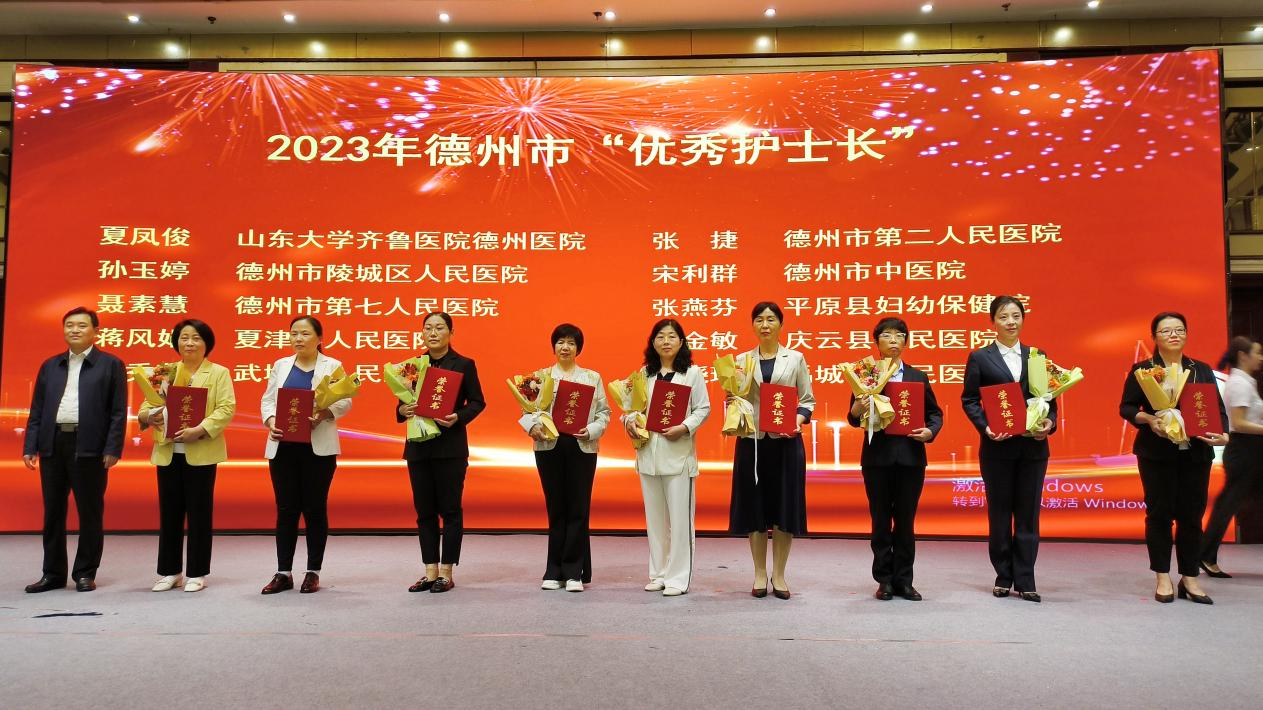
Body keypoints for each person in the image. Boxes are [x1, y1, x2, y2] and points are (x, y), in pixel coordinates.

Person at [1120, 312, 1228, 604]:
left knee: (1192, 516)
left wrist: (1223, 434)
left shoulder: (1200, 369)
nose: (1174, 335)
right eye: (1166, 331)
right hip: (1156, 453)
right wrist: (1148, 419)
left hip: (1196, 453)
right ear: (1154, 337)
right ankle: (1162, 576)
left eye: (1179, 330)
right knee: (1159, 514)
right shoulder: (1143, 369)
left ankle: (1190, 577)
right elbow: (1127, 407)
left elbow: (1216, 408)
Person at [21, 307, 127, 593]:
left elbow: (118, 411)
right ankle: (53, 573)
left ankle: (85, 572)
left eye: (81, 325)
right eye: (69, 325)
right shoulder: (50, 365)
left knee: (89, 512)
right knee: (53, 512)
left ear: (96, 331)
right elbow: (37, 409)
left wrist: (113, 447)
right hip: (53, 443)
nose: (75, 330)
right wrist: (31, 445)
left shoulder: (110, 364)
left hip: (90, 446)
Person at [960, 295, 1056, 603]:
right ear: (993, 322)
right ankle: (1003, 574)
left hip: (1033, 449)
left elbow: (1050, 399)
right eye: (1003, 317)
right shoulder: (980, 357)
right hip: (997, 447)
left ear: (1023, 319)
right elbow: (970, 399)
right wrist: (985, 427)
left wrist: (1049, 424)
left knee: (1028, 514)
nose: (1011, 322)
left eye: (1016, 316)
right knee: (1000, 514)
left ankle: (1026, 579)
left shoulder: (1037, 356)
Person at [138, 319, 236, 593]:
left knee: (199, 513)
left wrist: (200, 429)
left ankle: (196, 572)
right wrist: (151, 416)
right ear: (176, 342)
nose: (189, 343)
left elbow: (226, 408)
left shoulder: (218, 373)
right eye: (184, 338)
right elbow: (146, 405)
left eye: (196, 338)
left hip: (201, 452)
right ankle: (170, 572)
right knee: (169, 514)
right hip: (168, 452)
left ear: (206, 344)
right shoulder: (165, 372)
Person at [848, 317, 943, 602]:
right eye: (887, 335)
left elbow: (935, 414)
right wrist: (858, 406)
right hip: (877, 458)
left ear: (906, 342)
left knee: (905, 522)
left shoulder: (918, 376)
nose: (893, 340)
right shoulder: (866, 375)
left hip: (911, 459)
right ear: (876, 342)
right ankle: (884, 580)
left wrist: (930, 431)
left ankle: (904, 581)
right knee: (880, 521)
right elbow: (852, 418)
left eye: (899, 335)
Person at [259, 316, 353, 595]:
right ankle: (283, 572)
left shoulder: (332, 365)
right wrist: (271, 421)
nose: (298, 339)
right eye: (294, 334)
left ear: (320, 339)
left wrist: (324, 413)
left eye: (305, 334)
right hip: (283, 446)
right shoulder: (281, 365)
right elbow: (267, 400)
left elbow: (345, 400)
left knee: (314, 508)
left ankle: (313, 571)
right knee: (286, 509)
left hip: (317, 448)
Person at [728, 302, 815, 600]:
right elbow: (735, 398)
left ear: (781, 324)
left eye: (771, 319)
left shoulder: (796, 358)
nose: (765, 325)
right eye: (759, 320)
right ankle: (758, 573)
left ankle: (779, 574)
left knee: (783, 509)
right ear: (753, 325)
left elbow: (807, 400)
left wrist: (797, 421)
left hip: (786, 443)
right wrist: (732, 402)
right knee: (755, 508)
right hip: (752, 442)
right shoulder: (741, 361)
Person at [397, 312, 486, 594]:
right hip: (418, 448)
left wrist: (458, 417)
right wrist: (402, 409)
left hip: (450, 448)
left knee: (450, 510)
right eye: (428, 328)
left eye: (439, 328)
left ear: (451, 332)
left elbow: (477, 402)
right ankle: (429, 571)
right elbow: (401, 405)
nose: (433, 333)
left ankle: (446, 572)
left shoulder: (464, 364)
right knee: (424, 512)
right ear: (422, 333)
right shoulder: (412, 366)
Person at [623, 319, 711, 597]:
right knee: (655, 521)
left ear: (681, 342)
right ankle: (658, 574)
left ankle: (678, 578)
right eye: (660, 336)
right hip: (648, 455)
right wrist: (629, 421)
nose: (666, 341)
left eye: (672, 336)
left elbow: (703, 408)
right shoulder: (644, 374)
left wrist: (684, 427)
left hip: (679, 457)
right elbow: (631, 409)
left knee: (680, 522)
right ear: (653, 343)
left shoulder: (692, 373)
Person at [521, 324, 610, 593]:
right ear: (554, 346)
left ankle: (573, 572)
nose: (565, 347)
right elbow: (526, 411)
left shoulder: (592, 377)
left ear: (578, 348)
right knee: (556, 508)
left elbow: (604, 413)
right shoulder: (539, 377)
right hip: (549, 446)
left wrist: (591, 430)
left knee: (578, 509)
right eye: (560, 342)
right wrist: (532, 427)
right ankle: (553, 570)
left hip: (582, 446)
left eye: (571, 342)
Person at [1201, 336, 1263, 577]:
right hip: (1244, 451)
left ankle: (1204, 555)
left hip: (1251, 451)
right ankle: (1204, 555)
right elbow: (1239, 423)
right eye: (1257, 353)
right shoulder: (1239, 384)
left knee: (1227, 504)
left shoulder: (1246, 381)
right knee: (1227, 505)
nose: (1261, 358)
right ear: (1243, 356)